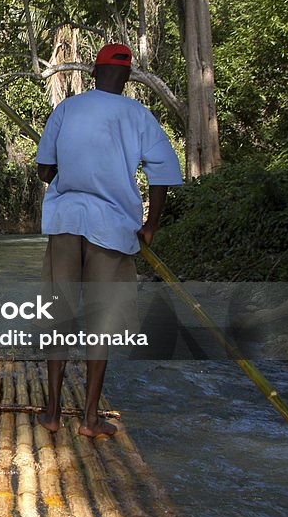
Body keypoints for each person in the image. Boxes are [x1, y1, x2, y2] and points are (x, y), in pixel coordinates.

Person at [34, 43, 183, 437]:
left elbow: (45, 171)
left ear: (96, 72)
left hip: (66, 223)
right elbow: (163, 174)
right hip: (113, 230)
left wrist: (67, 167)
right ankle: (89, 419)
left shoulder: (67, 109)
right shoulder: (139, 117)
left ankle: (50, 414)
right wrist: (150, 226)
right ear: (128, 76)